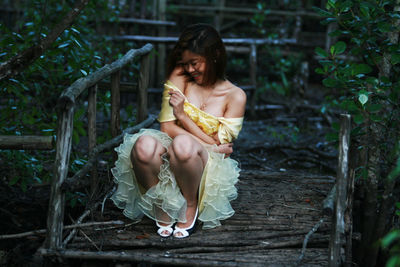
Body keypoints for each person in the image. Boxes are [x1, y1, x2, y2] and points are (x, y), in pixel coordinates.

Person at [111, 23, 247, 238]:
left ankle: (190, 203)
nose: (190, 70)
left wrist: (183, 117)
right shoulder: (179, 76)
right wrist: (212, 144)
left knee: (183, 146)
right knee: (143, 146)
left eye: (195, 63)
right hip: (171, 144)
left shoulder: (236, 96)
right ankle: (161, 200)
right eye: (186, 64)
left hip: (201, 162)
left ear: (215, 56)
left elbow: (222, 146)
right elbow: (166, 127)